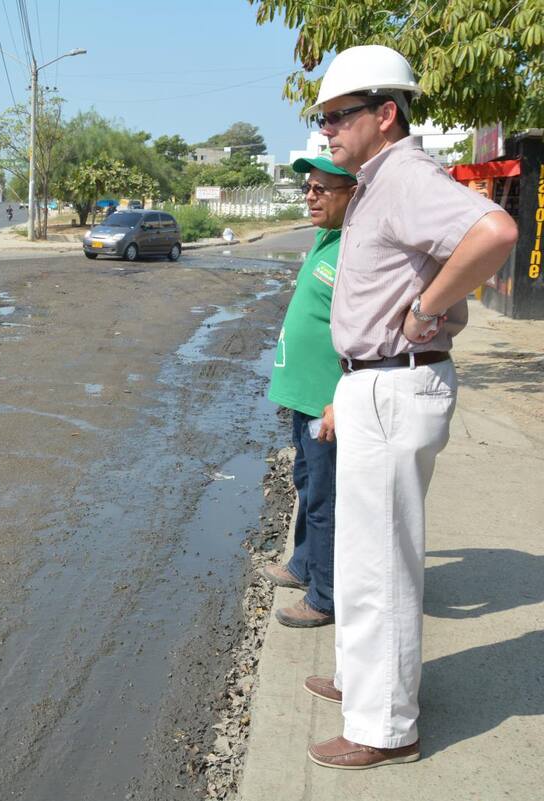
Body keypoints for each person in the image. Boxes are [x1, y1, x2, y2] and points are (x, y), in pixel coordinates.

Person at [300, 44, 518, 770]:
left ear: (385, 114)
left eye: (339, 114)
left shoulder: (404, 177)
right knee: (365, 559)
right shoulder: (377, 181)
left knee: (383, 562)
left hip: (398, 379)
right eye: (322, 116)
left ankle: (387, 726)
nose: (327, 128)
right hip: (375, 380)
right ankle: (364, 685)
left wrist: (428, 305)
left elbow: (495, 231)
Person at [262, 155, 357, 629]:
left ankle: (325, 597)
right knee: (306, 486)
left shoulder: (355, 252)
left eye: (322, 189)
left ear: (353, 194)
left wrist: (341, 399)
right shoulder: (327, 237)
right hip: (303, 399)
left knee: (325, 501)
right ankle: (303, 564)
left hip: (327, 404)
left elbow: (365, 337)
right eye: (308, 188)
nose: (310, 196)